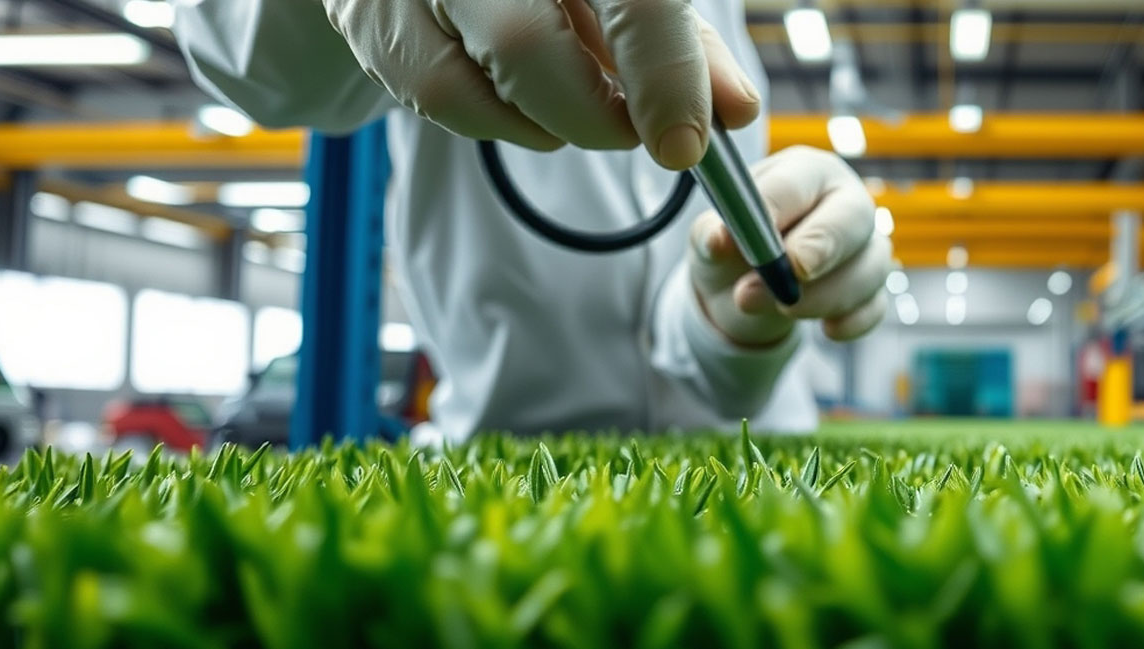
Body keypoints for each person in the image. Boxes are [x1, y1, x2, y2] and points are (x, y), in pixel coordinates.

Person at [173, 0, 889, 441]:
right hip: (501, 463)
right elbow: (245, 55)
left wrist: (734, 316)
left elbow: (717, 377)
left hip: (753, 455)